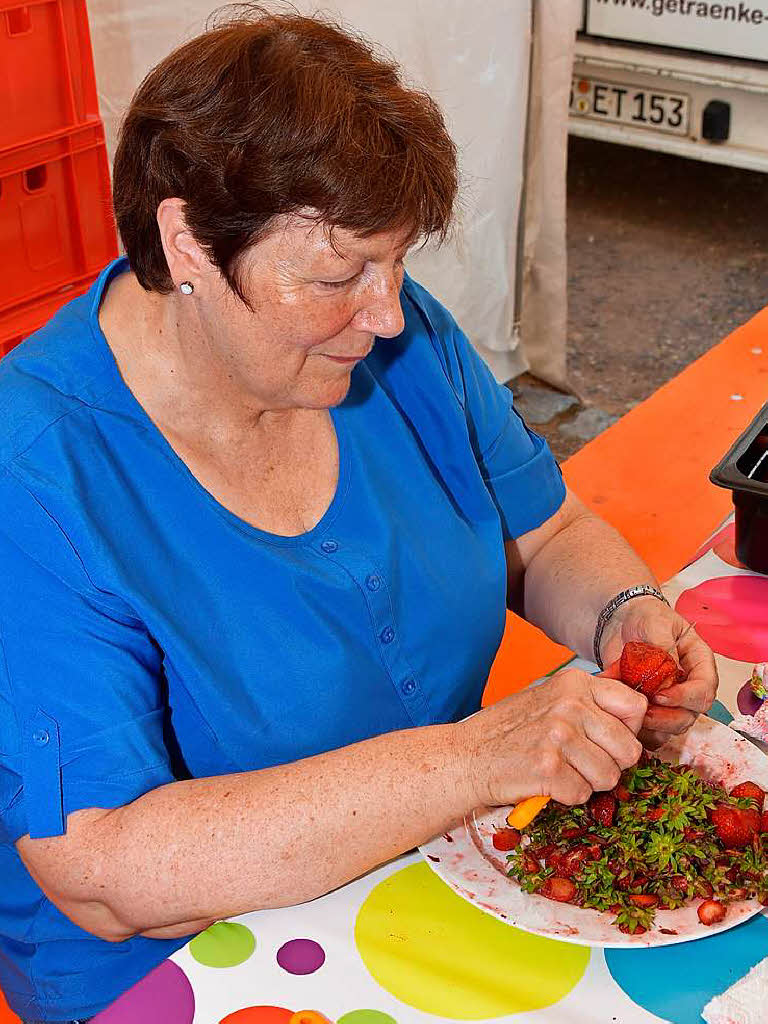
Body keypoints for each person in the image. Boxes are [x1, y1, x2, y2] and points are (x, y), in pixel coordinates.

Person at [0, 9, 717, 1023]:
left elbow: (545, 536)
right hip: (191, 976)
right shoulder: (34, 472)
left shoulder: (394, 341)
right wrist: (475, 759)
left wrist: (623, 614)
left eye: (396, 265)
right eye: (339, 277)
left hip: (416, 872)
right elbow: (108, 869)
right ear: (187, 241)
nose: (387, 313)